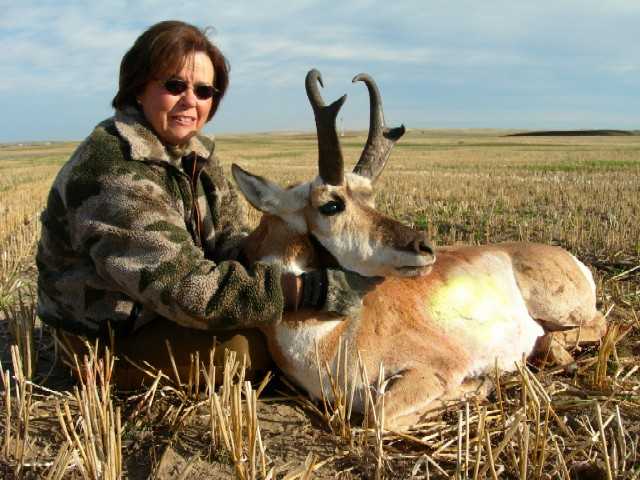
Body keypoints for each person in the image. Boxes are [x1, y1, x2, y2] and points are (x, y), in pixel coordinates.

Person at [36, 20, 379, 389]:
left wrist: (311, 253)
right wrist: (306, 291)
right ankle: (114, 374)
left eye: (204, 91)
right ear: (138, 89)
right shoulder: (114, 172)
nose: (190, 101)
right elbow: (186, 291)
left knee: (278, 321)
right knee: (249, 350)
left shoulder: (195, 157)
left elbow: (232, 243)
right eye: (174, 86)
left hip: (159, 309)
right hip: (106, 336)